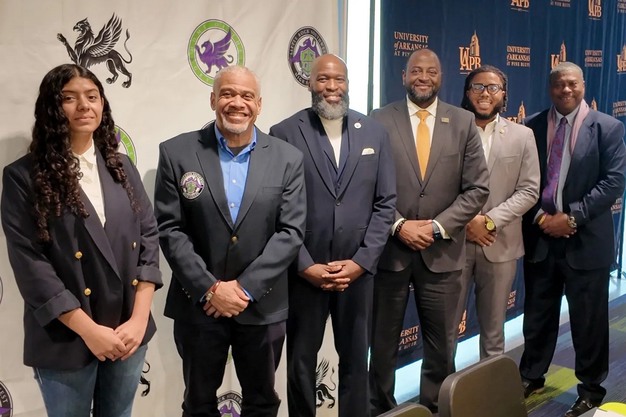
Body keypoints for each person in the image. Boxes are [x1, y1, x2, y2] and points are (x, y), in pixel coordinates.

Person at [1, 64, 162, 417]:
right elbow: (32, 266)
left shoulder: (122, 167)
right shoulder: (23, 177)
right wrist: (89, 331)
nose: (84, 105)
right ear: (51, 107)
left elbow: (149, 237)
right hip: (67, 335)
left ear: (103, 104)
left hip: (127, 330)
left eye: (92, 96)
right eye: (69, 98)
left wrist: (138, 320)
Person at [154, 65, 306, 417]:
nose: (237, 102)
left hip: (262, 305)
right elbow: (170, 229)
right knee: (198, 403)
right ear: (213, 100)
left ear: (259, 105)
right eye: (227, 94)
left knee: (262, 403)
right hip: (199, 306)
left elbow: (291, 232)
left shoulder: (287, 158)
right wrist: (210, 289)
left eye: (246, 96)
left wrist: (244, 288)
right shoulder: (177, 152)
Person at [269, 54, 396, 417]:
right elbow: (276, 208)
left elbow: (386, 203)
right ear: (310, 83)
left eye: (338, 79)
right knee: (300, 362)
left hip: (357, 274)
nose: (331, 87)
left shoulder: (374, 132)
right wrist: (304, 265)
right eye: (323, 79)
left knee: (355, 360)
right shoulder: (284, 132)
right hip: (305, 273)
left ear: (347, 84)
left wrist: (362, 262)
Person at [368, 48, 490, 415]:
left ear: (441, 77)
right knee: (382, 345)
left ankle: (435, 408)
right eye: (416, 71)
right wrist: (399, 225)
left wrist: (437, 227)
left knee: (441, 348)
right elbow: (366, 184)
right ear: (403, 76)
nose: (423, 77)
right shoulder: (378, 120)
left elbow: (477, 188)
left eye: (431, 71)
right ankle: (382, 410)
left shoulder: (463, 122)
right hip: (390, 254)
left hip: (443, 254)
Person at [519, 61, 626, 417]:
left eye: (572, 83)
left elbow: (613, 182)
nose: (566, 89)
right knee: (537, 315)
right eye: (559, 84)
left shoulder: (608, 127)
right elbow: (522, 180)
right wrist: (541, 218)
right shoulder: (531, 126)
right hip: (541, 237)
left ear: (583, 85)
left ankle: (591, 390)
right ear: (550, 87)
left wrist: (572, 217)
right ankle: (531, 375)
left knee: (588, 321)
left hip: (586, 241)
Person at [457, 65, 540, 359]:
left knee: (493, 334)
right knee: (444, 331)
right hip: (453, 245)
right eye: (478, 87)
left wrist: (489, 221)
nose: (485, 93)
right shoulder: (449, 131)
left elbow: (529, 190)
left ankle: (487, 388)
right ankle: (439, 389)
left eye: (493, 88)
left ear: (504, 95)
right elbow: (435, 186)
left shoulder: (522, 135)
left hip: (500, 244)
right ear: (467, 92)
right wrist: (466, 222)